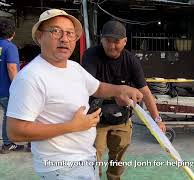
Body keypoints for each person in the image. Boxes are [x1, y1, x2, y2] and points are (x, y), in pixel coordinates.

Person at [6, 9, 143, 180]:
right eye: (56, 31)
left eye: (70, 33)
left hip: (84, 160)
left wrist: (119, 90)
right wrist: (72, 126)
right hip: (60, 169)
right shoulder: (30, 77)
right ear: (39, 36)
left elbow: (97, 87)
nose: (65, 38)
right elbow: (16, 132)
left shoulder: (73, 67)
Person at [82, 20, 166, 179]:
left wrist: (157, 119)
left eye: (117, 41)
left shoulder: (131, 60)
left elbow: (146, 92)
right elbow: (89, 87)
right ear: (101, 39)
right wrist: (117, 94)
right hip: (94, 119)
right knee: (93, 158)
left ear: (125, 41)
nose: (112, 46)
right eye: (108, 41)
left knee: (117, 160)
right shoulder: (90, 55)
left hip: (121, 119)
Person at [0, 18, 25, 153]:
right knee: (10, 115)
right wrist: (18, 89)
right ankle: (7, 143)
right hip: (5, 90)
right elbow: (12, 69)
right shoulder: (10, 47)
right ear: (13, 33)